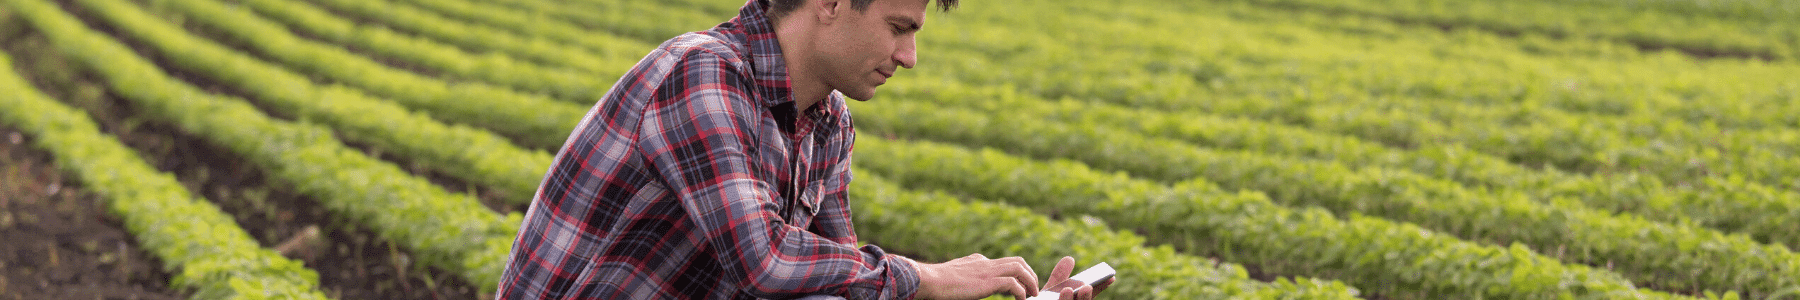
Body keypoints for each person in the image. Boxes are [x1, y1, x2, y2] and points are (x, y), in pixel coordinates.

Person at [494, 0, 1113, 299]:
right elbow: (767, 264)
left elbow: (838, 282)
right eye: (899, 28)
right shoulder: (704, 73)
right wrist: (926, 276)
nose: (909, 57)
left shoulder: (828, 123)